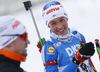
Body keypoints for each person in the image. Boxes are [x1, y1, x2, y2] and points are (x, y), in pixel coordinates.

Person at [37, 1, 96, 72]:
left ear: (67, 18)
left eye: (61, 20)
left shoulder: (78, 37)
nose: (59, 26)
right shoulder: (50, 47)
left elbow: (88, 65)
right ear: (48, 25)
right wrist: (76, 61)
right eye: (53, 23)